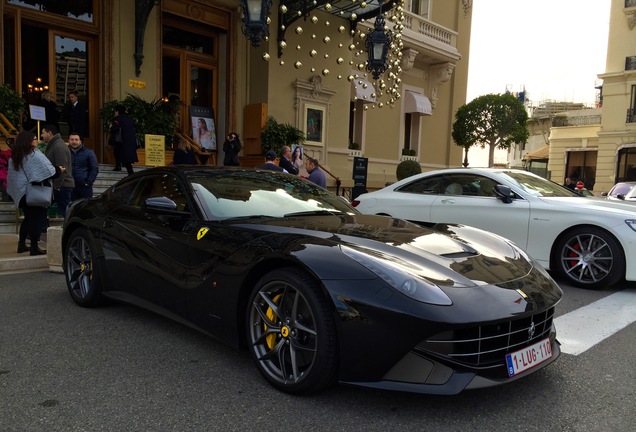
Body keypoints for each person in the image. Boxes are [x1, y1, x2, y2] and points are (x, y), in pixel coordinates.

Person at [7, 131, 64, 256]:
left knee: (28, 219)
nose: (37, 141)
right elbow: (48, 172)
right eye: (34, 139)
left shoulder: (15, 156)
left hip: (21, 193)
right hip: (32, 193)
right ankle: (34, 247)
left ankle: (21, 245)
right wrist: (59, 170)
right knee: (37, 220)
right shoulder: (33, 155)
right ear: (27, 141)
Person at [41, 124, 74, 217]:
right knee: (42, 209)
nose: (41, 136)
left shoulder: (58, 146)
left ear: (49, 133)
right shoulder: (54, 145)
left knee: (66, 212)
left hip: (62, 185)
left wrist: (57, 186)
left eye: (43, 133)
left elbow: (62, 168)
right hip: (57, 185)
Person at [69, 132, 98, 200]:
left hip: (84, 187)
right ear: (69, 141)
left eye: (76, 140)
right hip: (70, 186)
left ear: (80, 141)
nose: (74, 142)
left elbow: (94, 168)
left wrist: (88, 182)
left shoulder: (89, 153)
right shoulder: (66, 152)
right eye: (72, 139)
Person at [111, 105, 138, 175]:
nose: (114, 113)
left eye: (115, 111)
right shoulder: (129, 119)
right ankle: (129, 171)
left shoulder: (117, 119)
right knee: (127, 157)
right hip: (130, 141)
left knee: (119, 153)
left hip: (121, 141)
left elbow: (115, 128)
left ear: (117, 111)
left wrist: (111, 127)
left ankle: (120, 167)